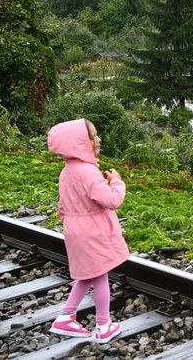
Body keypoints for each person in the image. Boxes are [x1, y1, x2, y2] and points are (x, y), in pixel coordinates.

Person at [46, 118, 130, 343]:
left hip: (74, 228)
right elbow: (111, 200)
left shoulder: (67, 171)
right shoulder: (88, 172)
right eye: (94, 136)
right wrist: (116, 182)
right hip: (92, 231)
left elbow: (62, 207)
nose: (98, 139)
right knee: (100, 275)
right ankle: (104, 325)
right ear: (82, 143)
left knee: (87, 275)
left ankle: (66, 316)